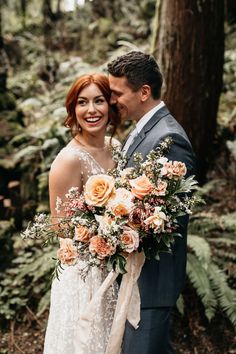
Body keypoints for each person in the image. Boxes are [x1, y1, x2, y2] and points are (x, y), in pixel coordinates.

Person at [108, 51, 196, 354]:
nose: (112, 100)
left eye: (117, 93)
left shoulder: (169, 139)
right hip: (133, 278)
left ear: (143, 92)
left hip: (151, 283)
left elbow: (170, 221)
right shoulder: (141, 130)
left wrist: (113, 225)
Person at [43, 73, 120, 354]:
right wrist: (103, 238)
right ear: (73, 110)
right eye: (82, 102)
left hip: (118, 268)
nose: (91, 110)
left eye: (99, 100)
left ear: (110, 105)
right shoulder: (68, 160)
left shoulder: (117, 148)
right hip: (83, 276)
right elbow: (61, 230)